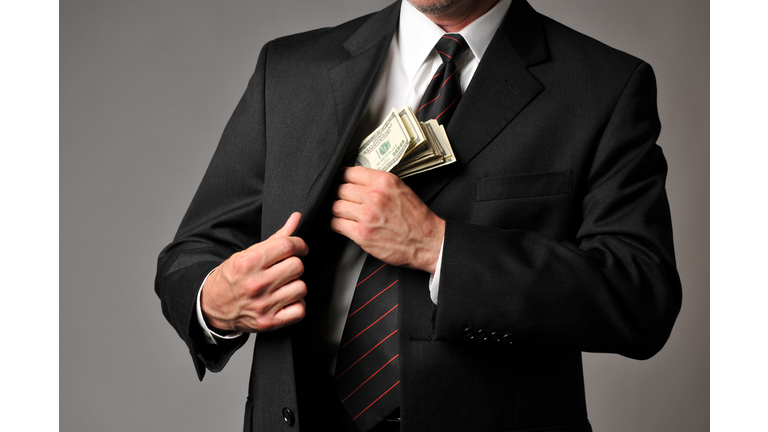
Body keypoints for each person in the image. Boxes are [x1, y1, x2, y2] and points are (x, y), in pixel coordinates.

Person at [155, 0, 682, 430]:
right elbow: (193, 253)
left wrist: (437, 246)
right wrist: (213, 304)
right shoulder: (290, 71)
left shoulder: (604, 86)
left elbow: (641, 298)